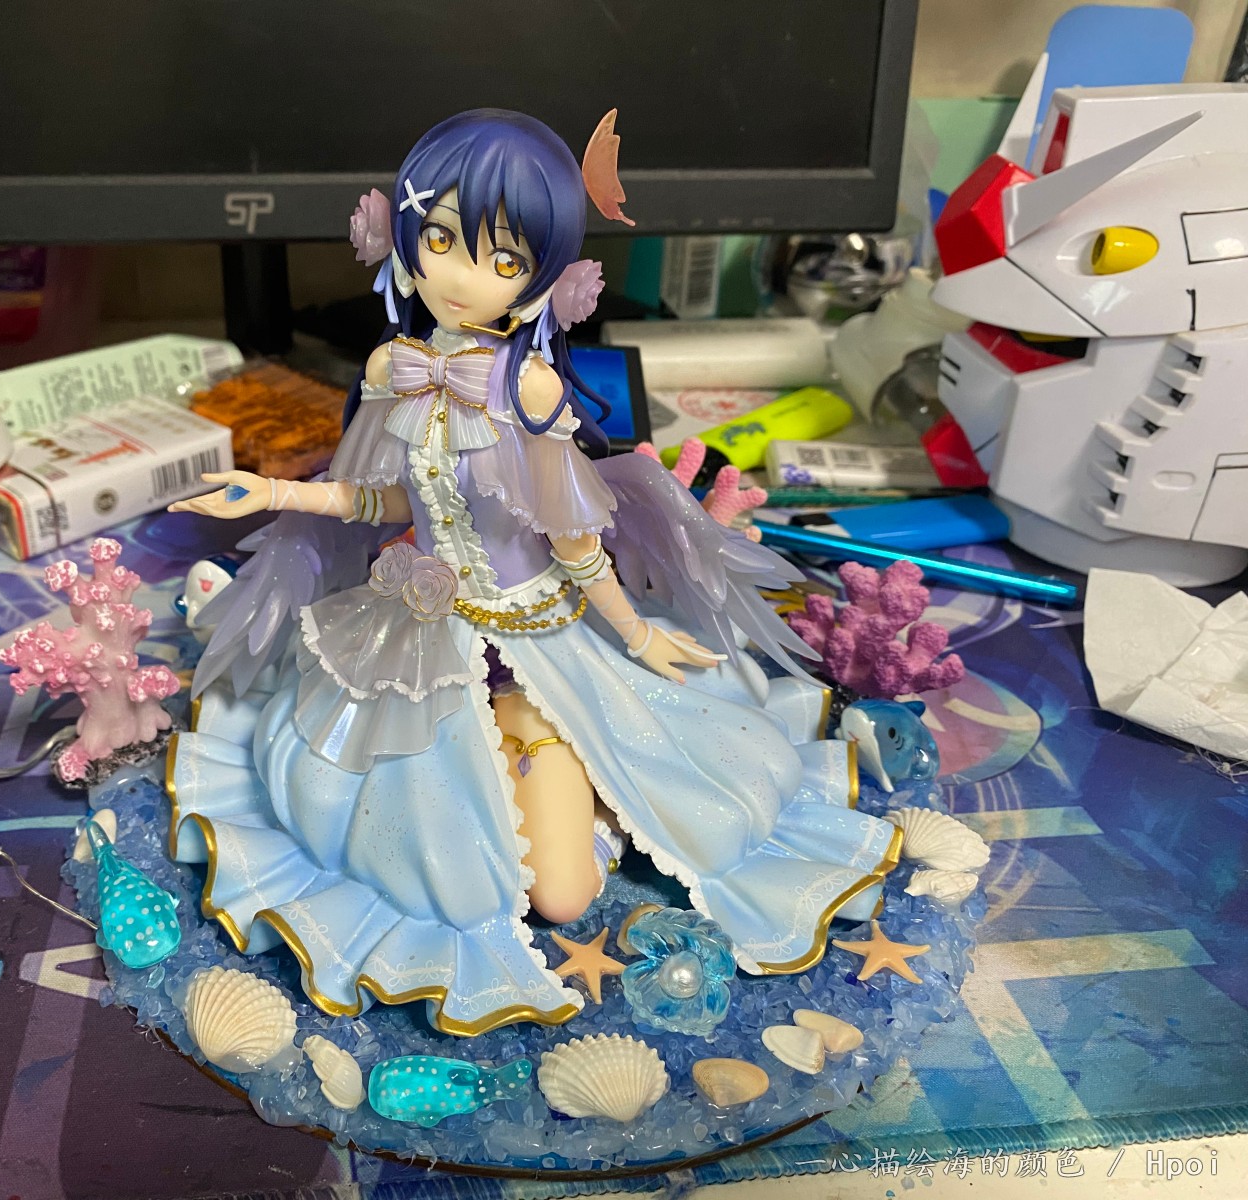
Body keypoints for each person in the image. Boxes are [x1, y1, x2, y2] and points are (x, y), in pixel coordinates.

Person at [164, 109, 901, 1036]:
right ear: (400, 234)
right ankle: (511, 775)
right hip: (421, 628)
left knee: (563, 894)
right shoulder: (396, 366)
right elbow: (386, 501)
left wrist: (633, 632)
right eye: (439, 240)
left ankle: (577, 783)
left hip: (537, 634)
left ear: (542, 276)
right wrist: (271, 491)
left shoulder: (530, 388)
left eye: (501, 258)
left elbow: (573, 538)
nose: (458, 275)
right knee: (387, 831)